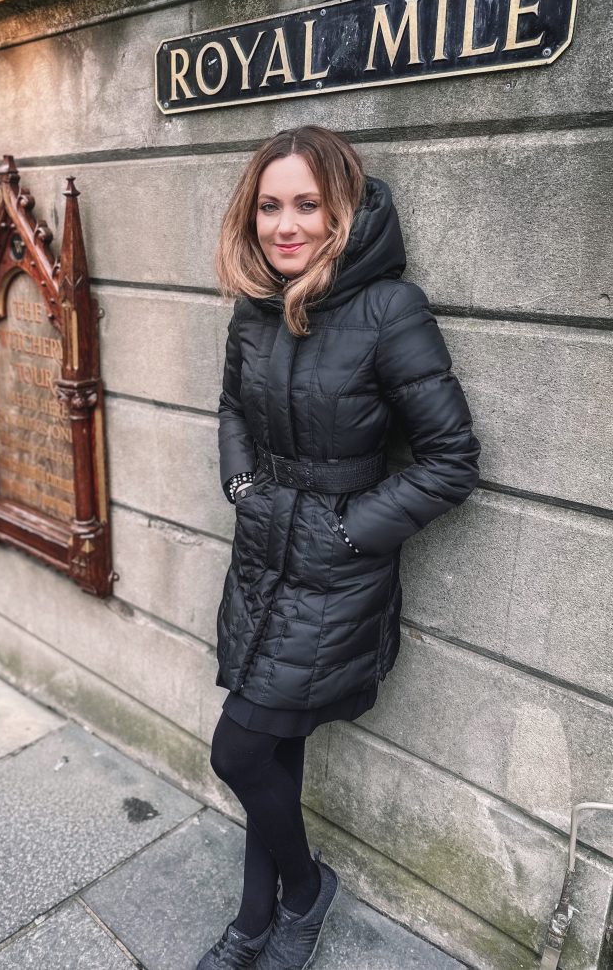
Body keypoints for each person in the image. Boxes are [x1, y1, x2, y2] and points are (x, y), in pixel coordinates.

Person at [196, 125, 481, 970]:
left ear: (340, 211)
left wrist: (350, 527)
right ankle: (257, 919)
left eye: (306, 205)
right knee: (271, 750)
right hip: (261, 561)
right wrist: (242, 486)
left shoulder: (390, 309)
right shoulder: (253, 311)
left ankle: (308, 890)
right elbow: (231, 412)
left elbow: (452, 459)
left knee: (238, 748)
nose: (285, 225)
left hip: (333, 574)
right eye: (270, 206)